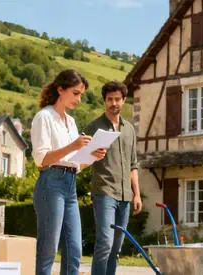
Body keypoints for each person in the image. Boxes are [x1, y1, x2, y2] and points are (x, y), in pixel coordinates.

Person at [31, 69, 108, 275]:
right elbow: (41, 159)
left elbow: (74, 163)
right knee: (48, 250)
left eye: (81, 94)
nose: (79, 99)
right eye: (75, 93)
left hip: (70, 185)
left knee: (74, 250)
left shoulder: (71, 122)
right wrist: (74, 146)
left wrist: (92, 156)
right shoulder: (44, 117)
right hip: (51, 184)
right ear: (60, 89)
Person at [84, 81, 142, 275]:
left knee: (116, 248)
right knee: (105, 243)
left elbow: (133, 164)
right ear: (104, 101)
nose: (113, 103)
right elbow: (82, 158)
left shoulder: (130, 130)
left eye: (117, 99)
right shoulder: (94, 127)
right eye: (110, 99)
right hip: (104, 193)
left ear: (124, 101)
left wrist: (137, 194)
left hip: (125, 195)